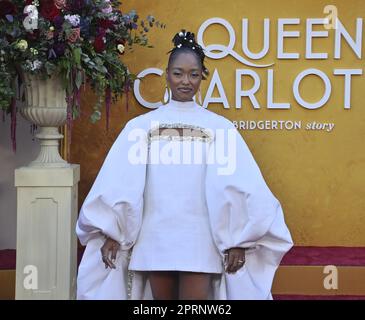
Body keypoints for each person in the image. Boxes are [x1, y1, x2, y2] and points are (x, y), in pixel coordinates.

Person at [76, 29, 293, 300]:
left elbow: (239, 183)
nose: (185, 81)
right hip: (154, 236)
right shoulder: (140, 127)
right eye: (178, 73)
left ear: (202, 76)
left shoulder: (220, 128)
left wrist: (239, 240)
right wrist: (112, 233)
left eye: (193, 74)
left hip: (200, 239)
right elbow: (121, 182)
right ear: (166, 74)